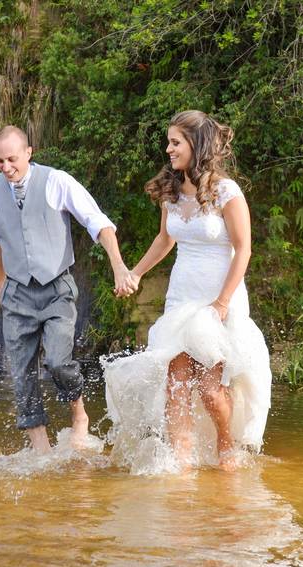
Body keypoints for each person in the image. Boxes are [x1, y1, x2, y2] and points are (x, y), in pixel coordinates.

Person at [103, 110, 271, 471]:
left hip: (218, 299)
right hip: (181, 298)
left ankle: (228, 447)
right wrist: (135, 272)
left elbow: (244, 249)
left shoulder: (227, 192)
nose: (168, 149)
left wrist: (223, 302)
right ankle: (181, 463)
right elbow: (165, 240)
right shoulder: (172, 193)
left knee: (210, 390)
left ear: (196, 145)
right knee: (175, 384)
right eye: (169, 142)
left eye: (175, 142)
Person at [0, 125, 132, 453]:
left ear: (28, 153)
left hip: (56, 288)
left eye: (12, 159)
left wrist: (118, 266)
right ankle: (41, 450)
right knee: (20, 373)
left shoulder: (57, 181)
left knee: (58, 362)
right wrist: (0, 280)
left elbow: (98, 222)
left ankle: (79, 415)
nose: (6, 167)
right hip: (17, 293)